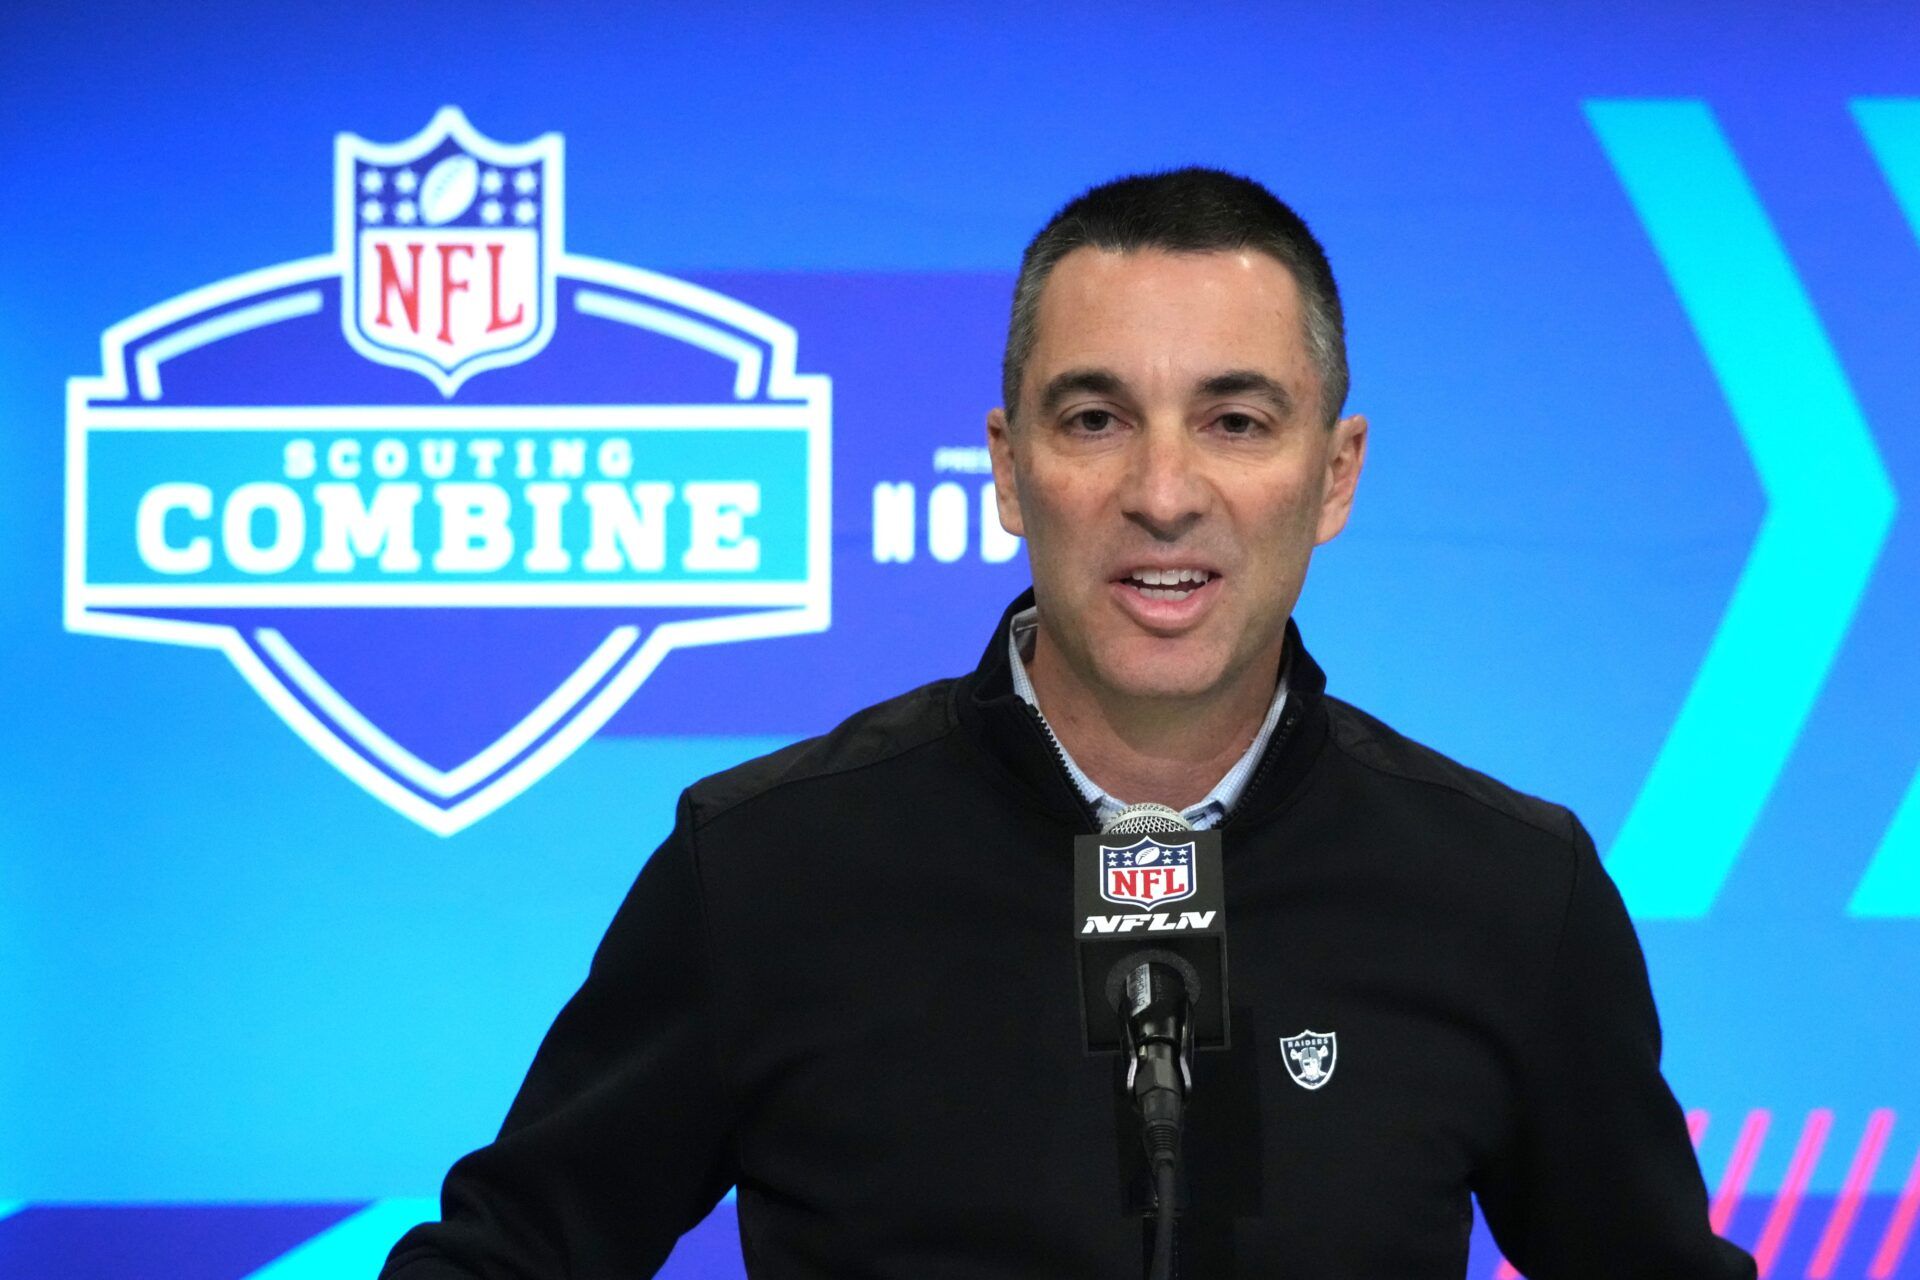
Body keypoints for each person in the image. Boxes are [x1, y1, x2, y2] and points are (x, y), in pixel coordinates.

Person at [381, 169, 1756, 1278]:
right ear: (1007, 468)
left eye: (1235, 421)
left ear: (1333, 477)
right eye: (1096, 418)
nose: (1164, 493)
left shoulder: (1508, 892)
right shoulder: (766, 867)